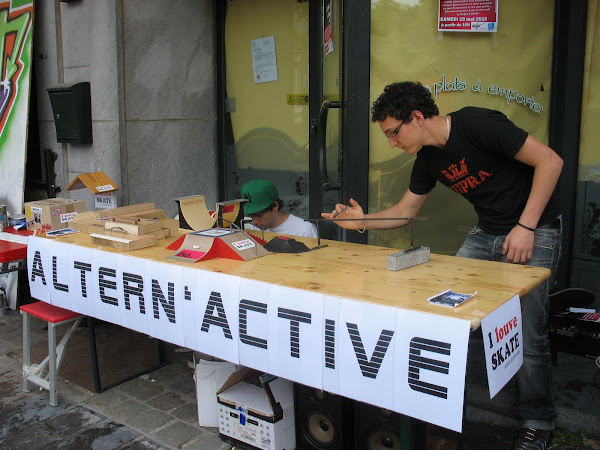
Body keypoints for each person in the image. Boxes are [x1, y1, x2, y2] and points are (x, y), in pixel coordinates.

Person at [322, 81, 563, 450]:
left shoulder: (478, 124)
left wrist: (526, 226)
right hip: (488, 233)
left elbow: (550, 161)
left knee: (528, 334)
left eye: (393, 133)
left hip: (535, 229)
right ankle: (439, 409)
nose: (392, 143)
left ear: (416, 117)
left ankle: (537, 422)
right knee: (442, 313)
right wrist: (361, 222)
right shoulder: (428, 159)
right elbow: (405, 213)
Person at [241, 179, 318, 238]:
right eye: (251, 216)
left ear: (275, 206)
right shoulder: (251, 228)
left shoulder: (304, 230)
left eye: (259, 215)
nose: (254, 222)